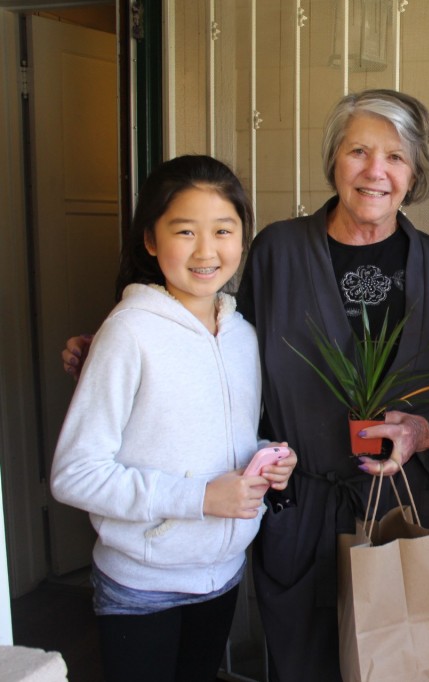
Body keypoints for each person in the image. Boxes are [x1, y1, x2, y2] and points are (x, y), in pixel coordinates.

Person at [61, 90, 429, 681]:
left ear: (415, 173)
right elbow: (216, 343)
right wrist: (109, 352)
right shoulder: (278, 252)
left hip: (407, 504)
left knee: (409, 665)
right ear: (333, 160)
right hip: (302, 505)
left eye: (395, 156)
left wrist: (423, 429)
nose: (375, 171)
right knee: (302, 663)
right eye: (357, 150)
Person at [50, 155, 298, 682]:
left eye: (223, 230)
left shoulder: (241, 336)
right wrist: (200, 498)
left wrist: (265, 459)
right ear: (151, 239)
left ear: (242, 238)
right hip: (142, 584)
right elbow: (75, 474)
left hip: (222, 574)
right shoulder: (129, 332)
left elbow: (205, 438)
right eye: (185, 231)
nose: (207, 251)